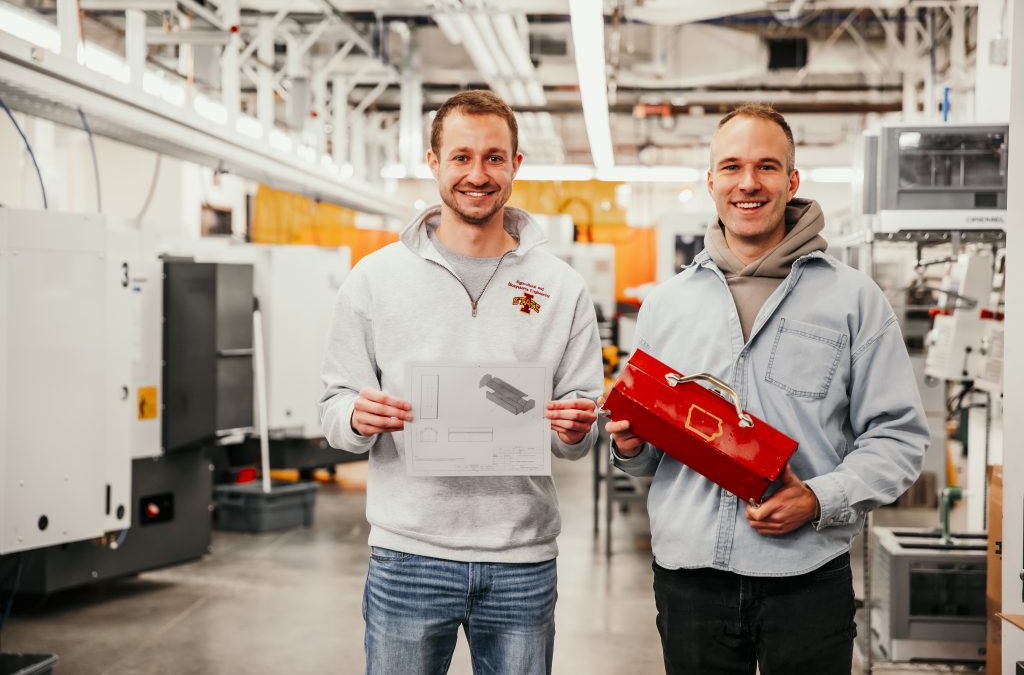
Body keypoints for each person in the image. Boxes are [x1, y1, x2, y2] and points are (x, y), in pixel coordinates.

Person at [606, 103, 928, 674]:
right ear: (711, 182)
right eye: (730, 167)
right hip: (690, 581)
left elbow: (898, 437)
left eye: (766, 166)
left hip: (806, 578)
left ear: (792, 179)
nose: (748, 183)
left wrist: (821, 498)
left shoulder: (853, 300)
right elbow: (650, 449)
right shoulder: (667, 303)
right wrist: (630, 448)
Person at [319, 89, 603, 675]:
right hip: (408, 556)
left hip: (521, 561)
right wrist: (354, 418)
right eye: (462, 157)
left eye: (495, 157)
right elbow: (333, 406)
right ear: (434, 162)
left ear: (516, 166)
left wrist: (577, 427)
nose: (478, 174)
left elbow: (580, 425)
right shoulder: (374, 280)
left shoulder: (562, 287)